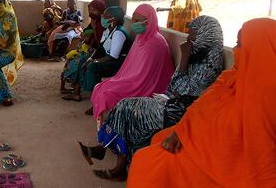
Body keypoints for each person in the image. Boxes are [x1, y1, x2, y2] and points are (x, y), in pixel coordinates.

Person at [127, 18, 276, 188]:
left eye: (239, 44)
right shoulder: (232, 76)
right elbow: (200, 104)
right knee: (153, 136)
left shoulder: (266, 94)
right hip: (203, 140)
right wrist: (181, 132)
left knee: (146, 162)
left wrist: (189, 135)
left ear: (259, 50)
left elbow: (250, 145)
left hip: (229, 163)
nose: (235, 50)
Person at [79, 16, 224, 181]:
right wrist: (185, 60)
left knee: (129, 110)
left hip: (180, 111)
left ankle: (115, 163)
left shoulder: (211, 61)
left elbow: (189, 93)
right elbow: (173, 86)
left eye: (193, 34)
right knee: (124, 104)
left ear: (206, 34)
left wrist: (184, 59)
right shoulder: (194, 55)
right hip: (169, 101)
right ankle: (106, 151)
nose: (189, 38)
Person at [90, 4, 174, 127]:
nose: (134, 23)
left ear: (149, 21)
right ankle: (105, 128)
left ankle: (107, 133)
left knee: (106, 95)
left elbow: (144, 75)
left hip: (146, 84)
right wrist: (121, 80)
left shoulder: (156, 43)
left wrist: (124, 82)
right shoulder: (141, 38)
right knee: (100, 87)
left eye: (137, 21)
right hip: (132, 79)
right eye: (133, 20)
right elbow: (131, 66)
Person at [63, 6, 130, 102]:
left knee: (92, 66)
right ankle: (76, 93)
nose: (103, 18)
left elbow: (113, 56)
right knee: (83, 60)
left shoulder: (118, 33)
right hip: (108, 59)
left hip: (119, 63)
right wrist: (89, 58)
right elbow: (100, 48)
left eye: (106, 16)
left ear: (113, 19)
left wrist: (93, 60)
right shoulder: (108, 30)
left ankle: (95, 101)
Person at [60, 28, 94, 94]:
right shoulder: (83, 43)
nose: (86, 38)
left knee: (75, 72)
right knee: (65, 72)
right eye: (85, 36)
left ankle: (75, 88)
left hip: (79, 62)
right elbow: (78, 50)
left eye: (88, 37)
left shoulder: (91, 47)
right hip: (76, 59)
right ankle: (62, 88)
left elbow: (88, 54)